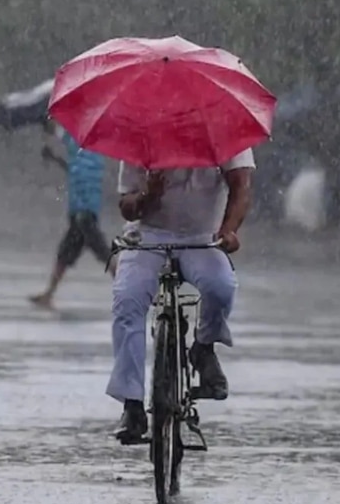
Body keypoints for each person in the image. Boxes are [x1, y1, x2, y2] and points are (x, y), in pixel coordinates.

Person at [108, 149, 256, 442]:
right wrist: (146, 197)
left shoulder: (223, 129)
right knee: (127, 302)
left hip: (202, 237)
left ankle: (203, 346)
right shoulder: (142, 133)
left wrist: (229, 230)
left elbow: (241, 187)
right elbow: (126, 205)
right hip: (149, 236)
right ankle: (132, 404)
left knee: (221, 287)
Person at [29, 119, 115, 309]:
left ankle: (130, 290)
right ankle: (49, 294)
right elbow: (74, 170)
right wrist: (54, 157)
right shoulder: (89, 152)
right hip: (81, 212)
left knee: (104, 253)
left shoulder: (79, 141)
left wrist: (49, 132)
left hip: (83, 213)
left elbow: (61, 136)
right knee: (65, 255)